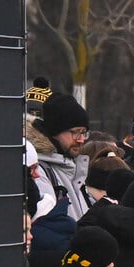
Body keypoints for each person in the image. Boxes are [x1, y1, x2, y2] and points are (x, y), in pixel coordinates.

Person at [25, 92, 92, 221]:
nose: (81, 139)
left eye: (84, 132)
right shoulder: (38, 170)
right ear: (56, 131)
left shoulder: (71, 166)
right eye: (76, 132)